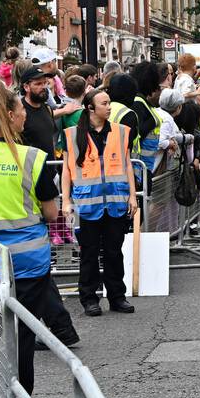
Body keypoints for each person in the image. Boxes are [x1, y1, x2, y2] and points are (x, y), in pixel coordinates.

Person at [0, 80, 79, 389]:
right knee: (23, 337)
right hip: (30, 260)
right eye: (22, 109)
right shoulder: (33, 158)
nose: (25, 114)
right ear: (10, 116)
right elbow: (51, 213)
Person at [62, 88, 137, 317]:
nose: (109, 106)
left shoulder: (122, 132)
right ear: (90, 108)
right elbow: (67, 169)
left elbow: (128, 165)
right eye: (104, 103)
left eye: (109, 102)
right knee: (89, 253)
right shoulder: (72, 134)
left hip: (115, 201)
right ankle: (89, 299)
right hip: (88, 204)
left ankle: (117, 297)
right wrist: (66, 200)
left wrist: (133, 196)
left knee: (115, 251)